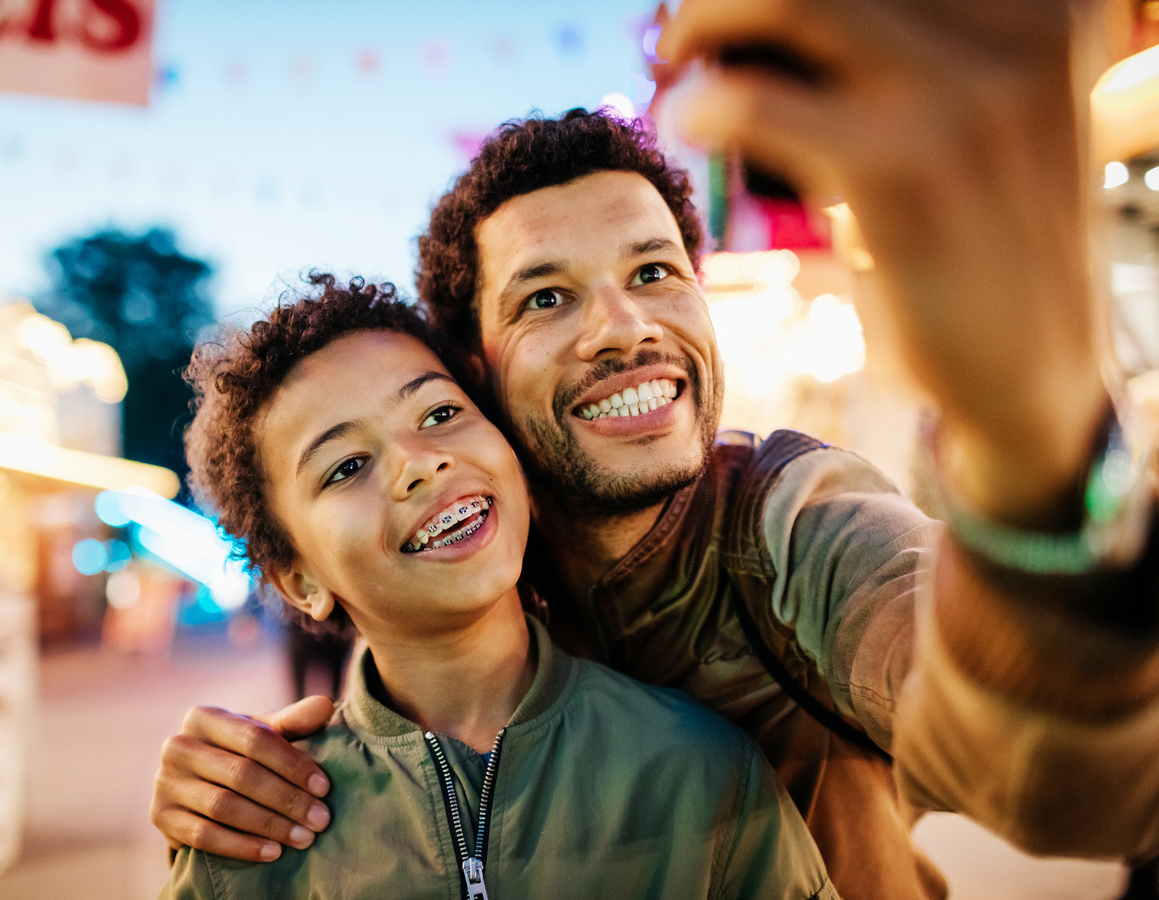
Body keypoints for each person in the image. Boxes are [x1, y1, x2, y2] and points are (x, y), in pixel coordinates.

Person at [152, 4, 1159, 899]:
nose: (624, 327)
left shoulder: (792, 523)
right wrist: (232, 781)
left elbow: (1065, 777)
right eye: (547, 297)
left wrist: (1037, 450)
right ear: (476, 369)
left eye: (654, 270)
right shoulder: (479, 565)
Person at [159, 274, 839, 900]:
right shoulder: (252, 834)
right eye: (347, 466)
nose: (420, 464)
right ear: (299, 578)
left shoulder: (701, 774)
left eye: (438, 414)